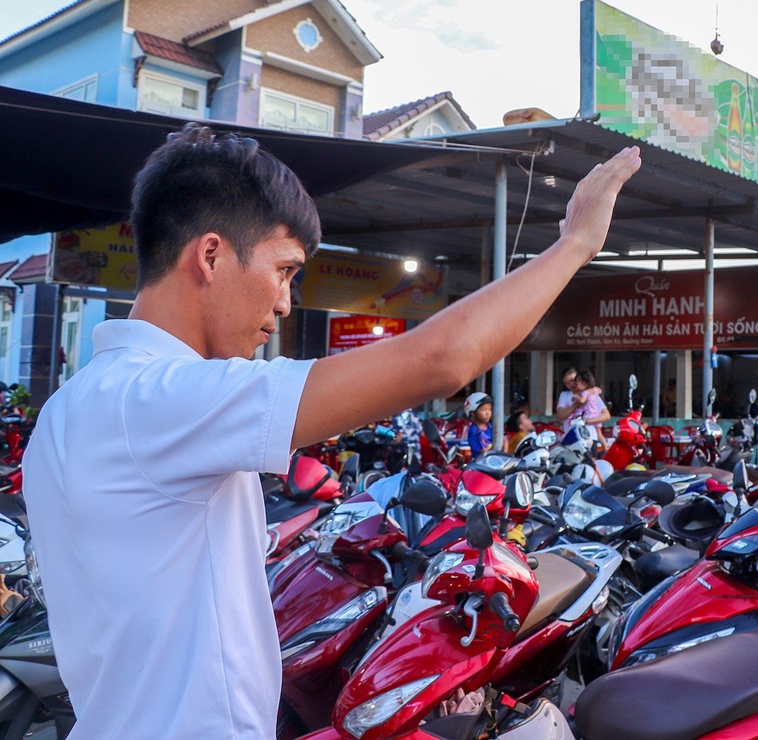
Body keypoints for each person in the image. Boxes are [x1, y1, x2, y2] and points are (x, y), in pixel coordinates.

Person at [22, 123, 641, 740]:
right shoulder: (157, 398)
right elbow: (439, 360)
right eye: (285, 271)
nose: (287, 303)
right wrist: (575, 244)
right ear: (209, 256)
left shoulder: (69, 408)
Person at [571, 370, 611, 447]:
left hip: (589, 415)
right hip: (596, 415)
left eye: (577, 383)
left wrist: (575, 397)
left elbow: (582, 400)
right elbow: (600, 390)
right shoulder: (595, 390)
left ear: (584, 383)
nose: (576, 386)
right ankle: (605, 446)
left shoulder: (585, 393)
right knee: (599, 434)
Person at [465, 391, 494, 456]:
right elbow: (481, 451)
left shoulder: (491, 426)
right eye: (483, 410)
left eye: (490, 409)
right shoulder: (474, 430)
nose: (488, 413)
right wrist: (493, 447)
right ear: (473, 413)